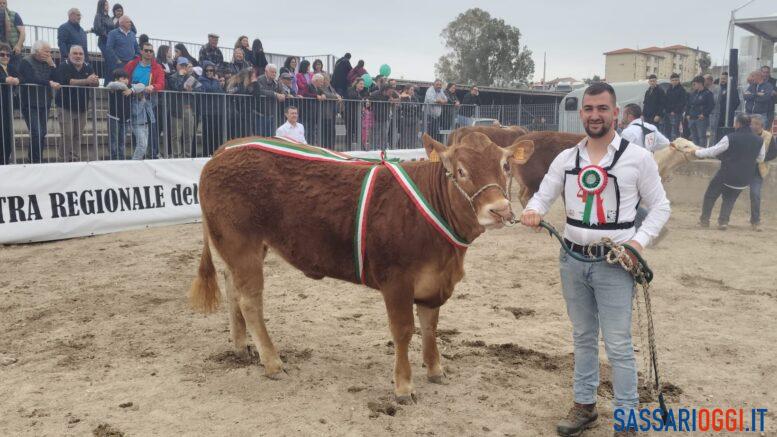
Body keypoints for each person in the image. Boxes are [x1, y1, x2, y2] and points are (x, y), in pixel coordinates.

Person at [520, 82, 670, 437]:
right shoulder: (567, 159)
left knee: (617, 342)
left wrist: (638, 242)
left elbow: (661, 206)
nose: (595, 115)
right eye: (589, 109)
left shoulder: (638, 158)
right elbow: (542, 197)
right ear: (582, 113)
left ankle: (627, 418)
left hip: (615, 262)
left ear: (615, 113)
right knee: (583, 336)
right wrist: (532, 211)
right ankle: (584, 406)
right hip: (572, 258)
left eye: (602, 109)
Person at [692, 114, 763, 230]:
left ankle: (704, 220)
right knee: (730, 199)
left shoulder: (730, 137)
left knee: (710, 195)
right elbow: (760, 158)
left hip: (727, 174)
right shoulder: (759, 140)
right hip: (744, 178)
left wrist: (697, 153)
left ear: (738, 124)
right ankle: (723, 222)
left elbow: (713, 151)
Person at [55, 45, 98, 162]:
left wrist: (95, 81)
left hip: (82, 107)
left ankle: (75, 160)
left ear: (84, 55)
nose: (78, 56)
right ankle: (62, 161)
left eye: (80, 54)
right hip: (65, 106)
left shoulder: (88, 66)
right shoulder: (64, 65)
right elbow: (69, 81)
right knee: (67, 135)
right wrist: (87, 81)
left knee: (78, 136)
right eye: (75, 53)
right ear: (69, 55)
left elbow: (95, 83)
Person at [19, 41, 61, 163]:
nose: (49, 54)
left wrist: (52, 64)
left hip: (44, 102)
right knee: (36, 132)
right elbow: (31, 78)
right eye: (46, 51)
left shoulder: (48, 62)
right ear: (37, 51)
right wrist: (48, 83)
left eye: (50, 52)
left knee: (42, 133)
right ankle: (35, 160)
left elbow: (57, 78)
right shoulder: (26, 61)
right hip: (30, 103)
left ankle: (35, 159)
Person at [125, 41, 165, 160]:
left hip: (148, 102)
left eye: (151, 51)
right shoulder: (132, 64)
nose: (148, 53)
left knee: (151, 130)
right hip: (132, 101)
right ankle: (137, 157)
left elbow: (161, 83)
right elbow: (124, 77)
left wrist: (153, 87)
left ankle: (152, 154)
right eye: (146, 50)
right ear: (141, 51)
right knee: (136, 130)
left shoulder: (157, 67)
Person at [749, 116, 777, 232]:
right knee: (732, 192)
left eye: (756, 124)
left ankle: (755, 221)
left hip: (758, 169)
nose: (753, 126)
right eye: (752, 123)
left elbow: (773, 154)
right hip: (743, 168)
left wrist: (761, 158)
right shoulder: (746, 134)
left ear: (761, 126)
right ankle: (724, 219)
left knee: (755, 194)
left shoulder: (768, 136)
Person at [167, 57, 199, 157]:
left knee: (189, 135)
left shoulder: (191, 77)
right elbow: (177, 87)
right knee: (176, 135)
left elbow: (198, 89)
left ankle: (187, 155)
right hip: (176, 109)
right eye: (181, 65)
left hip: (189, 108)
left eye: (185, 65)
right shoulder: (172, 77)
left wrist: (191, 90)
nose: (183, 67)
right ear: (177, 65)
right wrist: (181, 77)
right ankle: (177, 156)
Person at [193, 61, 224, 156]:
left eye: (211, 70)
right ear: (204, 71)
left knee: (218, 133)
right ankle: (207, 153)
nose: (209, 72)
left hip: (217, 111)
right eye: (207, 70)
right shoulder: (201, 80)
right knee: (207, 133)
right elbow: (208, 89)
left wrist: (215, 87)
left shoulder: (216, 81)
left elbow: (221, 92)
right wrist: (215, 87)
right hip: (207, 111)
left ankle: (217, 152)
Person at [105, 68, 136, 159]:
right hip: (113, 117)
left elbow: (141, 86)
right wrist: (126, 87)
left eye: (127, 78)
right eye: (123, 78)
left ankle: (121, 157)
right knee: (113, 139)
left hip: (125, 118)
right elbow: (111, 85)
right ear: (116, 79)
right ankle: (113, 157)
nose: (126, 80)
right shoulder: (113, 87)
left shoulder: (130, 88)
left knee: (122, 140)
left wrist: (131, 90)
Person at [253, 63, 285, 136]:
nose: (274, 74)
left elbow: (282, 92)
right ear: (266, 71)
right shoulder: (260, 79)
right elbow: (261, 91)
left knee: (271, 137)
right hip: (260, 114)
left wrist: (283, 95)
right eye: (272, 72)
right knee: (260, 137)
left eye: (275, 72)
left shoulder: (277, 82)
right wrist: (275, 94)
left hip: (272, 115)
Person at [0, 42, 18, 164]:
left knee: (7, 136)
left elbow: (22, 76)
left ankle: (5, 162)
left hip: (7, 107)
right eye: (2, 54)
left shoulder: (11, 67)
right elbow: (4, 79)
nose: (5, 57)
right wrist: (5, 79)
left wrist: (17, 79)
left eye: (8, 55)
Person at [685, 75, 714, 147]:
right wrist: (687, 114)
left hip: (701, 119)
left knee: (702, 137)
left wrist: (704, 114)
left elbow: (711, 106)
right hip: (692, 118)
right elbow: (688, 104)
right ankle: (695, 153)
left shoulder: (708, 93)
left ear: (700, 83)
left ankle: (702, 153)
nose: (693, 86)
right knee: (694, 137)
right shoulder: (692, 94)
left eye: (694, 84)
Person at [225, 68, 253, 139]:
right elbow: (229, 93)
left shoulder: (242, 85)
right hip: (236, 115)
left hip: (242, 114)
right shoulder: (237, 85)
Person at [93, 0, 115, 80]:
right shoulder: (98, 15)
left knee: (111, 61)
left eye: (107, 4)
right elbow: (98, 28)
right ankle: (108, 81)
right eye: (105, 5)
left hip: (110, 42)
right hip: (104, 41)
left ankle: (111, 79)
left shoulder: (109, 17)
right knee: (109, 60)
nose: (107, 6)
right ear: (101, 5)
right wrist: (107, 36)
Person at [0, 0, 25, 66]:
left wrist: (18, 46)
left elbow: (22, 32)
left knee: (16, 70)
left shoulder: (14, 15)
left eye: (4, 3)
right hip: (1, 50)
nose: (2, 4)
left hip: (13, 50)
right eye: (0, 3)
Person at [662, 73, 686, 140]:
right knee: (667, 131)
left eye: (676, 80)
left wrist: (675, 111)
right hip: (668, 113)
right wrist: (667, 110)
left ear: (678, 80)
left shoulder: (681, 90)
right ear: (670, 81)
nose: (674, 81)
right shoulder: (669, 89)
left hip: (676, 114)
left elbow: (682, 102)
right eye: (673, 80)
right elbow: (666, 101)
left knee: (675, 132)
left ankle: (675, 145)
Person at [761, 65, 776, 129]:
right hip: (760, 109)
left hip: (770, 108)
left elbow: (775, 92)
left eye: (767, 72)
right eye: (764, 72)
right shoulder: (758, 81)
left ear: (769, 73)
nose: (765, 74)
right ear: (761, 72)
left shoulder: (775, 81)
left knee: (767, 128)